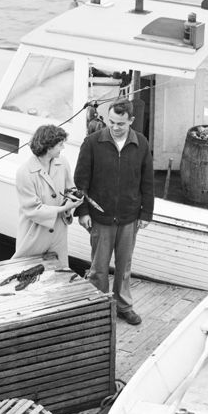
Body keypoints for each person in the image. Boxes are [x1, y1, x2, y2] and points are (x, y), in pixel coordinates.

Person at [74, 99, 154, 325]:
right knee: (98, 268)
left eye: (120, 123)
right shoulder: (91, 143)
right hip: (100, 218)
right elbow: (81, 182)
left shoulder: (142, 144)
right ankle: (98, 307)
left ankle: (123, 306)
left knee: (124, 267)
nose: (115, 127)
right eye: (111, 122)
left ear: (131, 121)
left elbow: (147, 182)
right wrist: (83, 212)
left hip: (130, 217)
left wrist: (146, 212)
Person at [13, 124, 82, 266]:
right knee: (24, 272)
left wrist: (74, 198)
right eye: (60, 145)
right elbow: (32, 209)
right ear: (49, 147)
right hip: (34, 234)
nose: (63, 148)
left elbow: (69, 188)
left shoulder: (63, 163)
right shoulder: (24, 172)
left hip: (58, 234)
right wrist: (63, 208)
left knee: (59, 275)